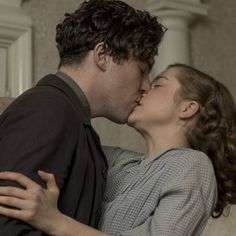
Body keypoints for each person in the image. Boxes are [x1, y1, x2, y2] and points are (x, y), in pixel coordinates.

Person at [0, 64, 235, 236]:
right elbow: (65, 128)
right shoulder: (122, 164)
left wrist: (55, 222)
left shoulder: (193, 166)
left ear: (188, 107)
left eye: (157, 85)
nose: (144, 89)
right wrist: (25, 105)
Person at [0, 0, 165, 234]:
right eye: (142, 70)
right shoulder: (50, 109)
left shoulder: (66, 115)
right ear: (103, 55)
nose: (146, 86)